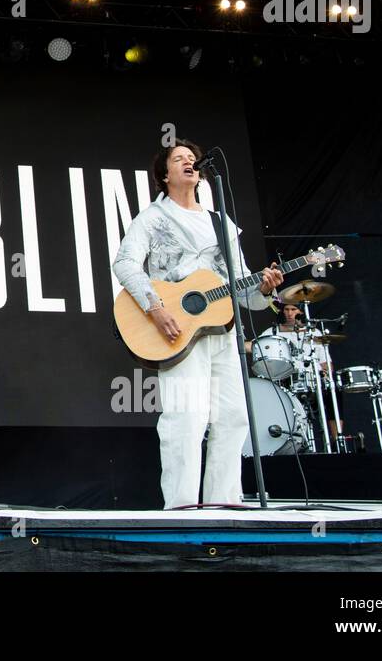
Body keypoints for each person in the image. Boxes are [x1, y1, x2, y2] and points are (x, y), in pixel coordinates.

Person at [113, 140, 283, 509]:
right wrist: (156, 307)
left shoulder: (219, 221)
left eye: (192, 159)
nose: (189, 162)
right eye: (179, 159)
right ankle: (182, 506)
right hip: (177, 330)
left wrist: (265, 291)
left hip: (222, 329)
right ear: (165, 174)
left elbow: (242, 288)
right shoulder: (152, 219)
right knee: (186, 420)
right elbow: (125, 263)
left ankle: (224, 502)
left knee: (235, 416)